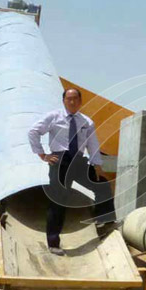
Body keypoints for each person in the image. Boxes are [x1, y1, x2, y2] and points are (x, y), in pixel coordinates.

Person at [28, 88, 116, 255]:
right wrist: (42, 155)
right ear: (64, 101)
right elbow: (33, 131)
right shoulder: (54, 117)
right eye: (69, 99)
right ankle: (53, 243)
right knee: (58, 200)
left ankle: (104, 222)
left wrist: (97, 165)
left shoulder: (86, 121)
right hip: (60, 161)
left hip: (79, 161)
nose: (72, 102)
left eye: (75, 99)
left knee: (102, 185)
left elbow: (92, 143)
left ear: (80, 101)